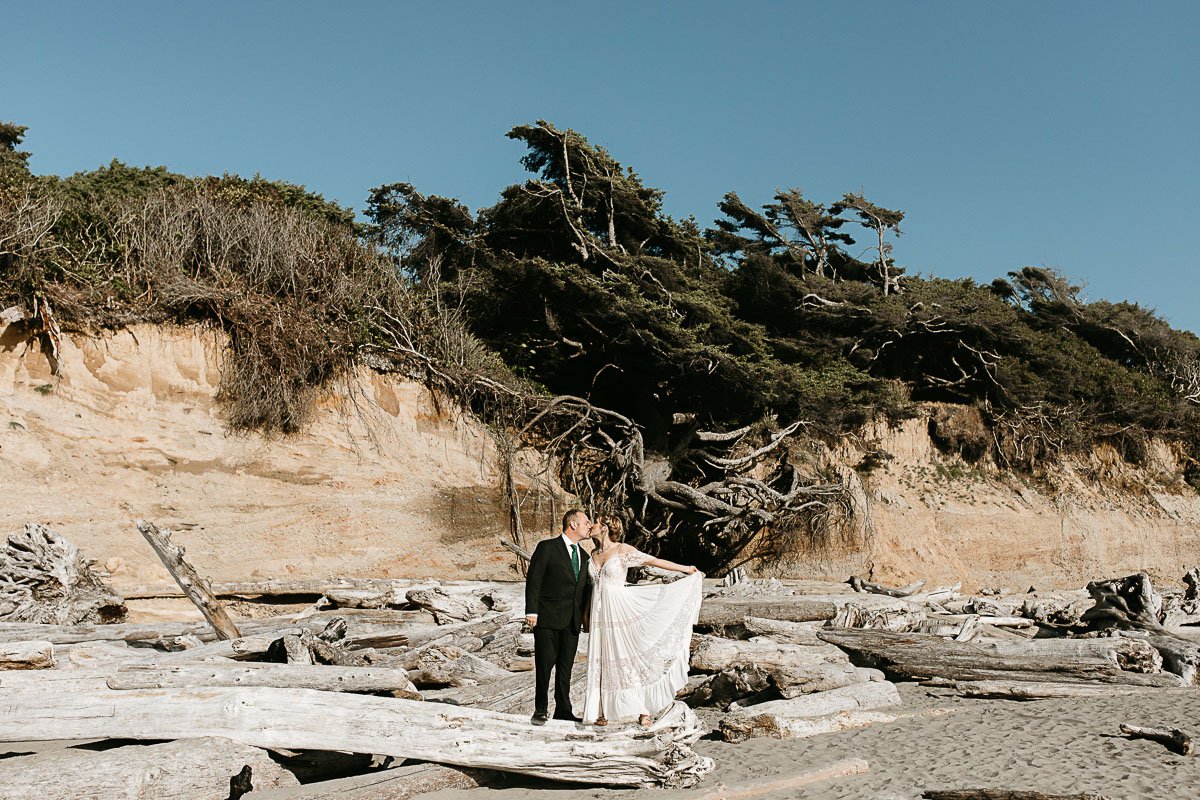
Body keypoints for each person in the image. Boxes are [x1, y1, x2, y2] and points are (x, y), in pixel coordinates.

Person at [582, 515, 702, 728]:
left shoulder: (622, 550)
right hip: (600, 615)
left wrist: (685, 569)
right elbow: (592, 589)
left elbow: (653, 561)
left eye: (596, 523)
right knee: (601, 659)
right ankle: (602, 710)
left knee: (627, 660)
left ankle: (642, 710)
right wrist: (586, 615)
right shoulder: (592, 554)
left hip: (620, 610)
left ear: (606, 528)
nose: (591, 526)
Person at [523, 508, 593, 725]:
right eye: (586, 522)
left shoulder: (584, 556)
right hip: (547, 618)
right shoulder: (547, 547)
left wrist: (585, 618)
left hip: (572, 622)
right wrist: (531, 611)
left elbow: (585, 591)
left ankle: (563, 709)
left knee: (566, 668)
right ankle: (540, 709)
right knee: (544, 665)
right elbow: (534, 580)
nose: (589, 525)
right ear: (573, 524)